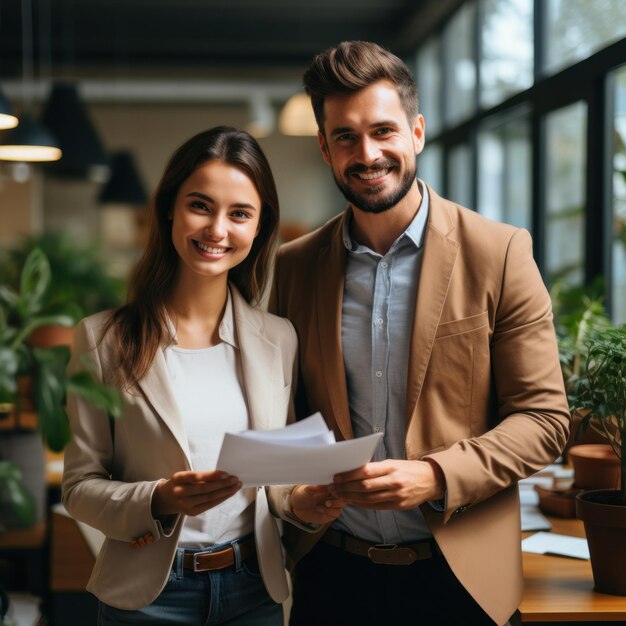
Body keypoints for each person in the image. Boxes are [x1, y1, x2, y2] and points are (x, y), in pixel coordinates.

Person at [269, 41, 571, 626]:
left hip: (459, 577)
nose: (368, 153)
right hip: (332, 575)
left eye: (383, 131)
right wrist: (294, 493)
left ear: (417, 132)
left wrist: (435, 475)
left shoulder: (501, 252)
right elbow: (285, 414)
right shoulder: (294, 266)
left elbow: (545, 419)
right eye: (346, 138)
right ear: (325, 150)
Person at [62, 126, 299, 625]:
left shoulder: (279, 339)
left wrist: (306, 501)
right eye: (200, 205)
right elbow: (79, 487)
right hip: (149, 600)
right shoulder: (101, 340)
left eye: (239, 214)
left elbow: (276, 479)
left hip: (253, 590)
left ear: (258, 228)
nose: (217, 229)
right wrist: (159, 498)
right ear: (169, 207)